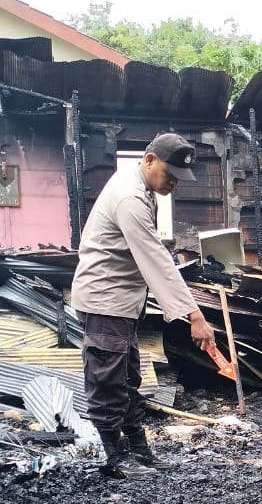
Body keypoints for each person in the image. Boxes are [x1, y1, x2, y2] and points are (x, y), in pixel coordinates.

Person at [72, 133, 216, 477]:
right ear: (150, 160)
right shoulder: (130, 198)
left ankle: (139, 450)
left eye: (179, 180)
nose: (173, 185)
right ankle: (116, 459)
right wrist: (195, 316)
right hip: (105, 300)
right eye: (170, 176)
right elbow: (156, 260)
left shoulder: (142, 190)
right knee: (108, 379)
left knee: (128, 378)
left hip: (122, 302)